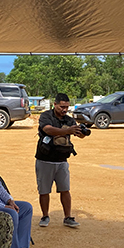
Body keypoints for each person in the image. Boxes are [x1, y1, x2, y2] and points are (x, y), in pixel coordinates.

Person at [35, 93, 86, 228]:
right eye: (62, 107)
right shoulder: (46, 116)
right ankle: (45, 216)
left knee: (65, 189)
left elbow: (79, 136)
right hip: (45, 159)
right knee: (44, 190)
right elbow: (48, 130)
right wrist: (67, 130)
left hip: (62, 160)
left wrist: (81, 132)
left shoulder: (69, 120)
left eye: (66, 107)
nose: (64, 110)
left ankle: (67, 217)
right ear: (55, 104)